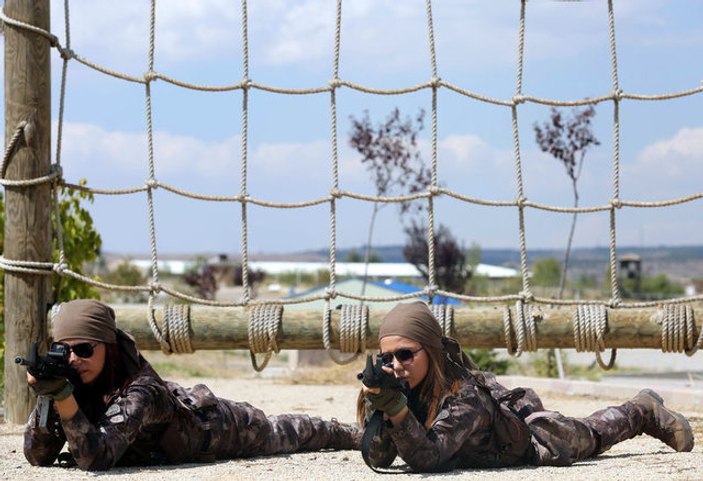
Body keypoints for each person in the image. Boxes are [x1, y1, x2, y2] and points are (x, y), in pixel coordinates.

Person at [357, 301, 695, 473]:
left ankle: (642, 410)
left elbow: (428, 457)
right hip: (498, 431)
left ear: (431, 351)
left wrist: (397, 412)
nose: (396, 366)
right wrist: (379, 410)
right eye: (387, 358)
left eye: (405, 354)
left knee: (595, 435)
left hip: (535, 439)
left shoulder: (463, 396)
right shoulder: (406, 390)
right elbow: (382, 458)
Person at [23, 299, 360, 471]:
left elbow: (95, 459)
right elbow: (38, 455)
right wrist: (46, 399)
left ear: (109, 351)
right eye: (62, 350)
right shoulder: (74, 383)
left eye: (84, 350)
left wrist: (64, 398)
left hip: (217, 427)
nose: (72, 359)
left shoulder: (141, 391)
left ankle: (349, 433)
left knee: (288, 432)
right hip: (174, 426)